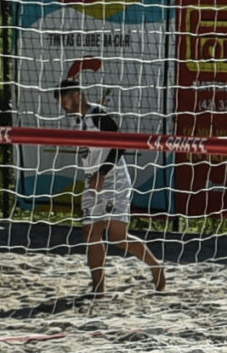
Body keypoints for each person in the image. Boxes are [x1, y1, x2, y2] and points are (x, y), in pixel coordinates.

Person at [56, 59, 166, 296]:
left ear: (76, 95)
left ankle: (155, 265)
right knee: (91, 233)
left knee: (117, 236)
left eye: (65, 101)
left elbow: (119, 146)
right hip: (91, 180)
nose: (63, 107)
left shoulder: (99, 115)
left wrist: (103, 173)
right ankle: (98, 288)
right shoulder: (77, 120)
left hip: (113, 178)